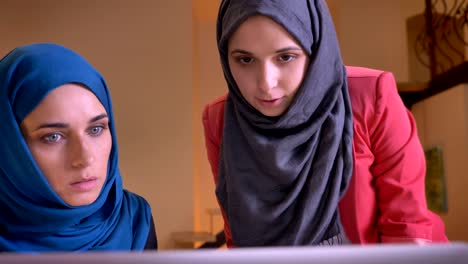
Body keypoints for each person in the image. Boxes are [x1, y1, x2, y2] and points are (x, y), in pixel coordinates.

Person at [202, 0, 448, 247]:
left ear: (315, 48)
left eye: (285, 57)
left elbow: (406, 231)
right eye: (245, 60)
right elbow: (238, 239)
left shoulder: (372, 97)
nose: (266, 83)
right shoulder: (221, 120)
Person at [0, 43, 157, 251]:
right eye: (53, 136)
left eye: (96, 129)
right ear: (10, 147)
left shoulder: (134, 220)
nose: (84, 158)